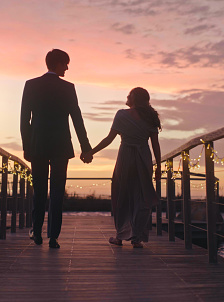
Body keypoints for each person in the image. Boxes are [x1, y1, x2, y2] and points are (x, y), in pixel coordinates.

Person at [20, 49, 92, 248]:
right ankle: (53, 236)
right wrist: (85, 148)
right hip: (61, 145)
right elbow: (77, 119)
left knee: (39, 191)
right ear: (58, 63)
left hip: (38, 145)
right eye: (66, 64)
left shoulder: (31, 85)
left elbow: (24, 119)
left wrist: (27, 146)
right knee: (57, 190)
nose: (67, 68)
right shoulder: (68, 88)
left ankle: (36, 232)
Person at [83, 87, 161, 248]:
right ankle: (137, 237)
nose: (126, 96)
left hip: (125, 157)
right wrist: (159, 166)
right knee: (142, 197)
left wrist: (91, 152)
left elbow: (109, 139)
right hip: (143, 157)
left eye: (129, 95)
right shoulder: (150, 117)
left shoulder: (121, 115)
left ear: (134, 99)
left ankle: (120, 235)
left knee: (121, 195)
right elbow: (155, 144)